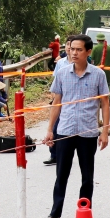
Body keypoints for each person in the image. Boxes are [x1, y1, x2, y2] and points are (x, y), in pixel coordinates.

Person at [41, 34, 110, 218]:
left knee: (87, 176)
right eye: (72, 49)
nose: (74, 53)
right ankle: (55, 214)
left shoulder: (98, 75)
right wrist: (50, 130)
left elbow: (105, 103)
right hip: (65, 131)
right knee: (61, 174)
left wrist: (104, 131)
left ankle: (84, 211)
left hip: (88, 132)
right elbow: (57, 102)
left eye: (79, 50)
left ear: (88, 52)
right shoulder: (62, 73)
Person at [44, 36, 75, 166]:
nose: (69, 47)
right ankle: (54, 155)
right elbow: (55, 81)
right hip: (59, 99)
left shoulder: (79, 62)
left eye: (72, 46)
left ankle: (68, 154)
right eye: (68, 45)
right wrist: (53, 96)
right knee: (55, 127)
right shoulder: (60, 63)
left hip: (72, 101)